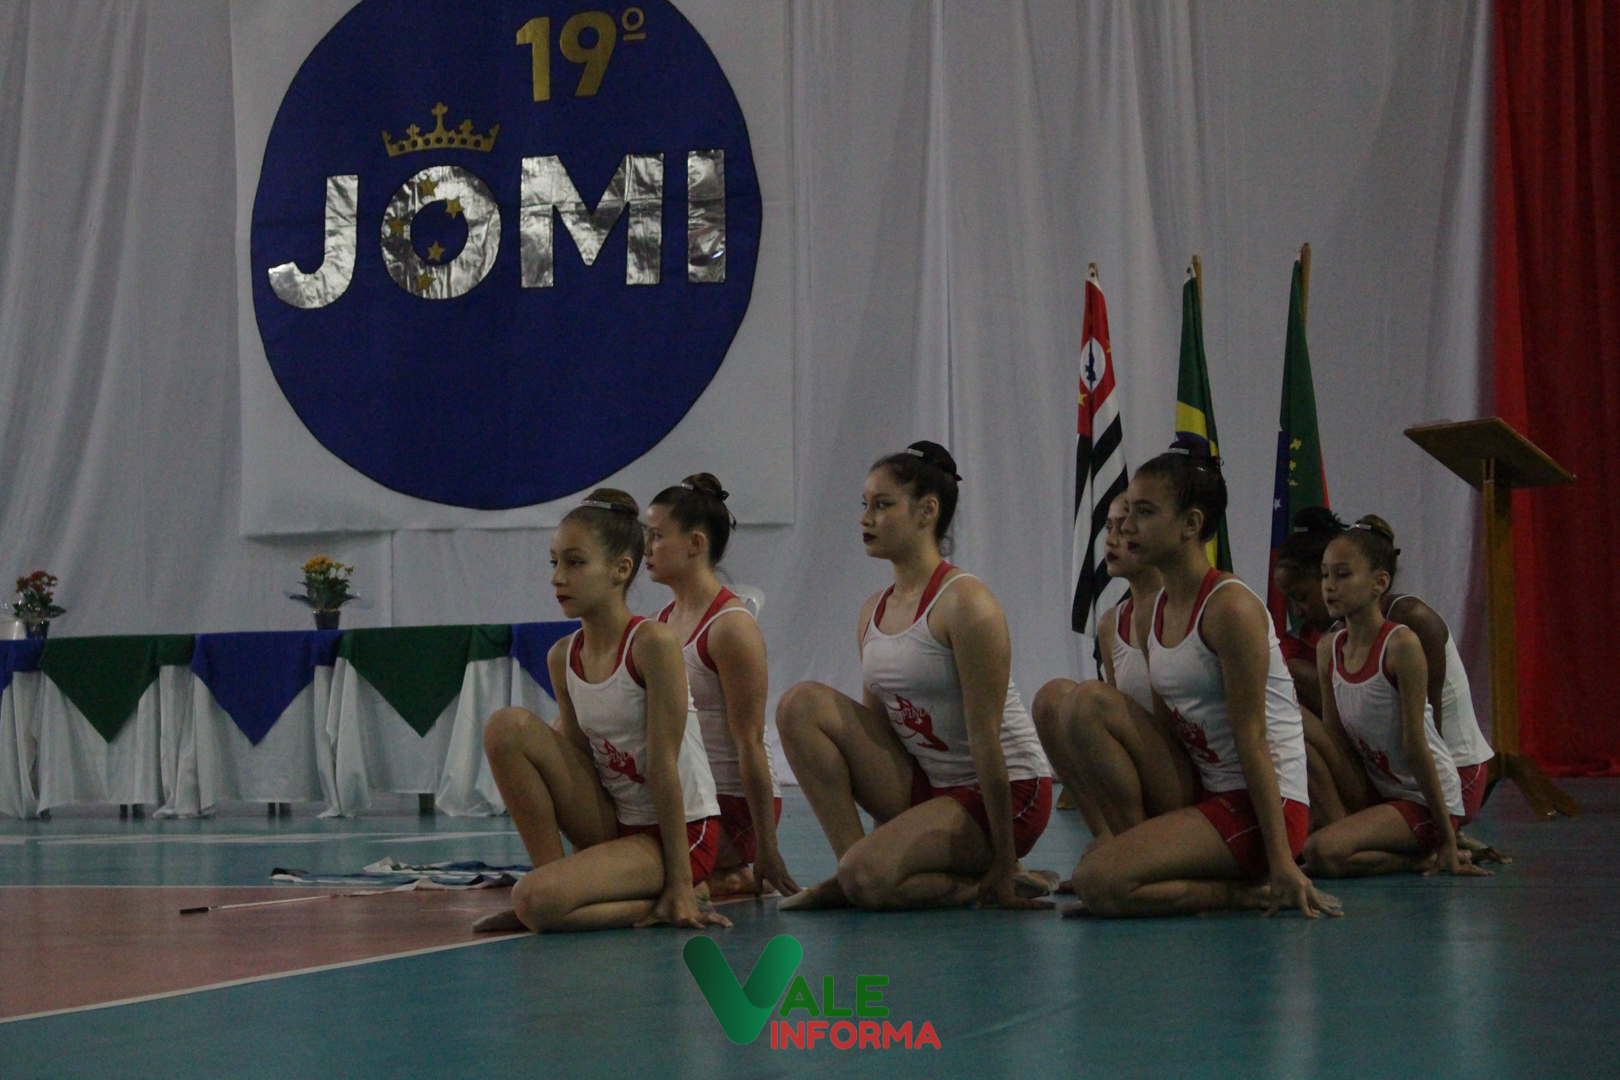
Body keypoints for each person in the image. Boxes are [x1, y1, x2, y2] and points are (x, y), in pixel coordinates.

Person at [775, 441, 1055, 912]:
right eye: (865, 505)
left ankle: (993, 880)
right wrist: (888, 845)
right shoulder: (872, 611)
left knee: (871, 878)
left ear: (927, 512)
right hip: (931, 787)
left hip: (1006, 795)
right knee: (799, 705)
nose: (866, 519)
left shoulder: (967, 604)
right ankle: (851, 871)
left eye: (882, 505)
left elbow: (986, 738)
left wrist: (1005, 862)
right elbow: (880, 736)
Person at [1073, 440, 1342, 918]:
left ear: (1191, 524)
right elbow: (1167, 729)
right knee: (1078, 705)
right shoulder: (1151, 609)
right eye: (1128, 511)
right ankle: (1152, 863)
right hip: (1208, 790)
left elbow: (1254, 737)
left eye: (1144, 512)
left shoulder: (1229, 608)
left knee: (1097, 883)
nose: (1126, 526)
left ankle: (1244, 891)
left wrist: (1282, 861)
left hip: (1262, 806)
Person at [475, 490, 730, 933]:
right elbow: (580, 766)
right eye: (554, 562)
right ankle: (549, 886)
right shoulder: (562, 655)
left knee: (534, 902)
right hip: (616, 821)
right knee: (505, 726)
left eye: (575, 563)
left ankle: (672, 896)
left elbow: (665, 765)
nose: (558, 578)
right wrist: (572, 878)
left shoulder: (653, 643)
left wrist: (681, 884)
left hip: (678, 834)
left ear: (621, 569)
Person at [1301, 522, 1490, 879]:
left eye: (1343, 574)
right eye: (1325, 575)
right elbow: (1334, 739)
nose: (1329, 585)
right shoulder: (1329, 647)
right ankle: (1339, 831)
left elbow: (1416, 745)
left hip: (1423, 797)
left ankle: (1427, 856)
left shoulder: (1401, 645)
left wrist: (1447, 837)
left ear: (1379, 583)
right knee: (1293, 721)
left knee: (1320, 852)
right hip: (1382, 785)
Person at [644, 473, 797, 899]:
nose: (646, 548)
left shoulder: (731, 629)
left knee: (645, 881)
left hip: (733, 807)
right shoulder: (658, 624)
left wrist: (767, 848)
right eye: (645, 535)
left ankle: (731, 872)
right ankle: (717, 877)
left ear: (695, 544)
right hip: (688, 798)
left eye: (657, 536)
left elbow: (751, 742)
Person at [1033, 494, 1196, 848]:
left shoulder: (1185, 610)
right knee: (1051, 699)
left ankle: (1137, 849)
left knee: (1090, 700)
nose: (1111, 540)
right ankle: (1109, 835)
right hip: (1151, 768)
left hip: (1191, 773)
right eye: (1109, 528)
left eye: (1124, 528)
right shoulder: (1111, 624)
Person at [1274, 507, 1377, 828]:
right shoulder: (1314, 643)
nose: (1297, 611)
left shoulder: (1390, 634)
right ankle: (1335, 825)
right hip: (1357, 772)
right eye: (1290, 601)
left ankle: (1341, 828)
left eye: (1301, 597)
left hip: (1386, 777)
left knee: (1285, 693)